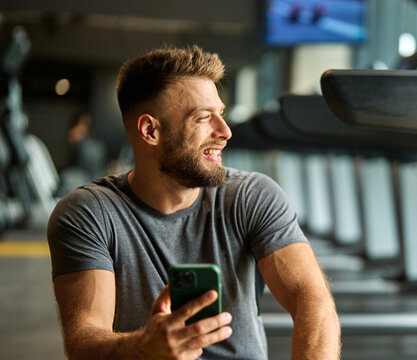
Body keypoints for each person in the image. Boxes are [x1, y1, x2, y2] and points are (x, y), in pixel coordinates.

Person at [47, 45, 341, 360]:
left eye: (221, 115)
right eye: (203, 118)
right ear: (150, 130)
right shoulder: (88, 213)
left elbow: (312, 301)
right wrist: (146, 349)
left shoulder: (252, 196)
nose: (225, 132)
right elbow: (84, 341)